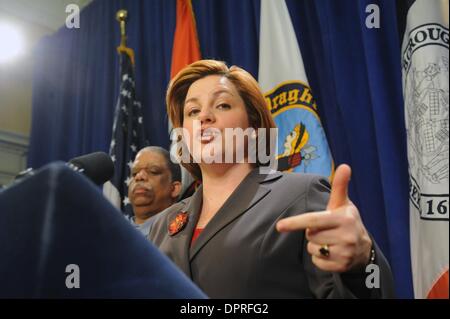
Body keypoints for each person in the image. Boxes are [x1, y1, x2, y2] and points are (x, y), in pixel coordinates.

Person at [148, 60, 395, 298]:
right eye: (192, 111)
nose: (204, 117)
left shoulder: (300, 196)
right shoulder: (161, 226)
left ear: (254, 129)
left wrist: (362, 262)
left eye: (222, 105)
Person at [128, 146, 182, 236]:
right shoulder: (110, 233)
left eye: (153, 171)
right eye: (134, 173)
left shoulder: (183, 235)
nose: (139, 176)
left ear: (174, 189)